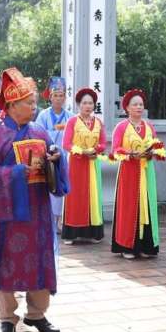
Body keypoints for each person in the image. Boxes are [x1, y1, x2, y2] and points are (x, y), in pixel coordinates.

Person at [0, 67, 68, 332]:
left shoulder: (39, 131)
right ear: (12, 105)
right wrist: (13, 173)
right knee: (5, 261)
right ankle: (7, 317)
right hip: (8, 212)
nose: (34, 107)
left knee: (40, 258)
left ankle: (36, 313)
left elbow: (54, 160)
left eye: (34, 102)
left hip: (37, 210)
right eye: (29, 102)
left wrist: (55, 158)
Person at [110, 89, 166, 260]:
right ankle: (127, 245)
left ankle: (146, 246)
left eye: (141, 104)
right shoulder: (121, 127)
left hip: (147, 172)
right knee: (129, 207)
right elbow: (115, 151)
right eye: (135, 104)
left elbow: (158, 146)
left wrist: (154, 153)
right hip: (129, 172)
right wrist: (130, 154)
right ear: (127, 107)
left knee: (147, 205)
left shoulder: (149, 126)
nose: (139, 107)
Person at [61, 87, 107, 244]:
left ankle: (93, 232)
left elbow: (103, 143)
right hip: (76, 164)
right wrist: (82, 152)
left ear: (94, 105)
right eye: (84, 103)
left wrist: (96, 150)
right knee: (75, 196)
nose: (88, 106)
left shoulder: (98, 122)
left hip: (92, 163)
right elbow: (66, 144)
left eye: (91, 103)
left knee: (93, 195)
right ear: (79, 105)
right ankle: (71, 233)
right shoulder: (72, 122)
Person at [35, 76, 73, 235]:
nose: (58, 98)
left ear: (65, 98)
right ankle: (48, 221)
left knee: (63, 187)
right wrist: (55, 133)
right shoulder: (43, 116)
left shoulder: (70, 116)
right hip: (48, 158)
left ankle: (61, 220)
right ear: (50, 97)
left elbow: (73, 136)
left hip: (64, 158)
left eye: (61, 95)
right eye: (55, 95)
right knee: (49, 189)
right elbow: (38, 134)